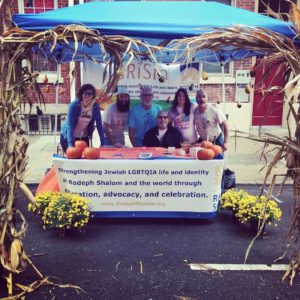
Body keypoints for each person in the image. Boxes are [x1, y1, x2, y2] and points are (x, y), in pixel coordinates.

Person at [60, 83, 106, 153]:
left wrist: (103, 143)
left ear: (93, 96)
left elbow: (99, 125)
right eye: (85, 93)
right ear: (81, 94)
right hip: (69, 137)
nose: (87, 96)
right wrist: (70, 145)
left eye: (89, 94)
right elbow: (70, 126)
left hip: (83, 138)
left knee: (85, 158)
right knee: (72, 159)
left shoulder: (95, 107)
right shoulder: (74, 105)